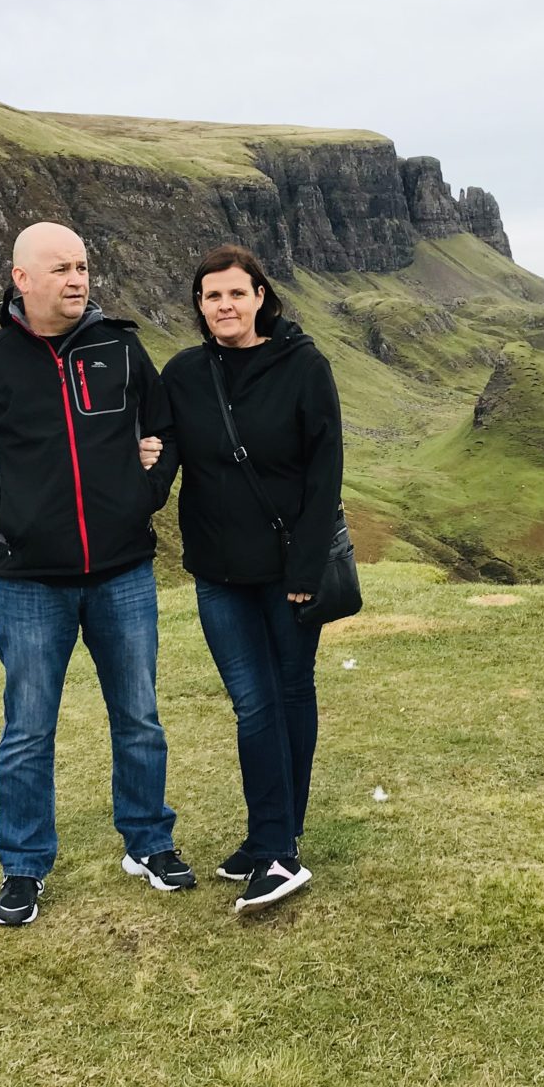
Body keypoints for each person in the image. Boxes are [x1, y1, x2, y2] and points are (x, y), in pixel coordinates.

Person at [0, 221, 195, 927]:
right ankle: (23, 867)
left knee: (138, 718)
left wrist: (146, 494)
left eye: (82, 267)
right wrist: (9, 515)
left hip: (123, 573)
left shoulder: (121, 348)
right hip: (28, 583)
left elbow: (165, 431)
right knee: (28, 730)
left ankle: (149, 842)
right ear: (22, 279)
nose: (77, 280)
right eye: (61, 269)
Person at [155, 244, 345, 914]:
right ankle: (273, 836)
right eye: (212, 296)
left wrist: (306, 568)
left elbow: (325, 471)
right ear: (199, 306)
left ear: (261, 296)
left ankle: (277, 847)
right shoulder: (184, 374)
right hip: (218, 573)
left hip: (288, 571)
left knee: (289, 693)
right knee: (253, 704)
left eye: (236, 293)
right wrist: (141, 462)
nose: (225, 305)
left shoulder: (304, 366)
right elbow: (166, 456)